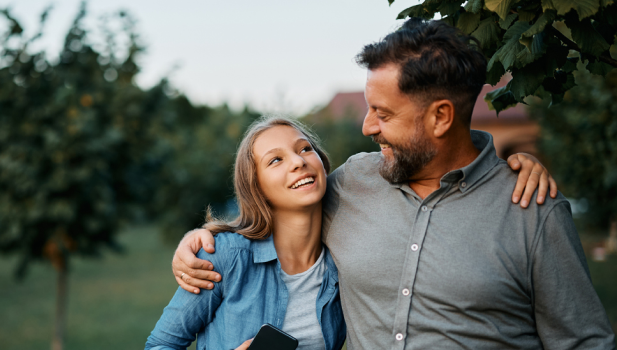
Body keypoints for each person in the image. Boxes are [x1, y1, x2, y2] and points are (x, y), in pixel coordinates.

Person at [172, 19, 616, 349]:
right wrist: (201, 237)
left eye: (383, 114)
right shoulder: (348, 185)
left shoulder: (529, 208)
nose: (368, 126)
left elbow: (584, 342)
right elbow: (274, 212)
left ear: (440, 117)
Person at [145, 118, 346, 350]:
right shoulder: (224, 256)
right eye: (276, 160)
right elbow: (159, 345)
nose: (298, 161)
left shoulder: (343, 263)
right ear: (256, 186)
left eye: (305, 149)